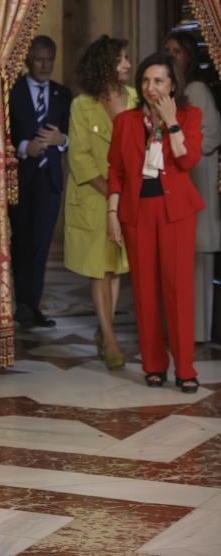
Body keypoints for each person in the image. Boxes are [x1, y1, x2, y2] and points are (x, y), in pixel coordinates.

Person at [107, 53, 204, 392]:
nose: (150, 87)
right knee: (146, 292)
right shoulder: (125, 122)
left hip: (176, 213)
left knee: (178, 290)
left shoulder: (190, 115)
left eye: (159, 80)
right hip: (137, 214)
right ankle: (153, 364)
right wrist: (112, 214)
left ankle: (186, 368)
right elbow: (116, 172)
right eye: (146, 81)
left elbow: (188, 158)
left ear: (173, 84)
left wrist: (170, 121)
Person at [64, 35, 135, 369]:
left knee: (116, 266)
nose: (127, 64)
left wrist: (125, 193)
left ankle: (104, 331)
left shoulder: (135, 98)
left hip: (127, 197)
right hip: (94, 197)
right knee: (99, 271)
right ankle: (109, 338)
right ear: (106, 64)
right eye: (121, 59)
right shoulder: (82, 105)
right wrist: (112, 191)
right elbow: (79, 158)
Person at [9, 35, 72, 329]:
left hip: (50, 180)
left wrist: (61, 141)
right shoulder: (12, 91)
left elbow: (73, 137)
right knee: (20, 242)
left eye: (50, 59)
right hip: (20, 180)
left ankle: (31, 305)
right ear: (27, 60)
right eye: (39, 59)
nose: (45, 65)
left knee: (41, 245)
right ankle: (18, 304)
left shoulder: (63, 94)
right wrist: (25, 148)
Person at [165, 31, 221, 343]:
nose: (172, 55)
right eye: (167, 50)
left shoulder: (197, 89)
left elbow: (213, 134)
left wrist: (186, 152)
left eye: (178, 51)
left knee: (197, 258)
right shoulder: (174, 90)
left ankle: (197, 333)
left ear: (189, 56)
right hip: (179, 181)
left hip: (196, 179)